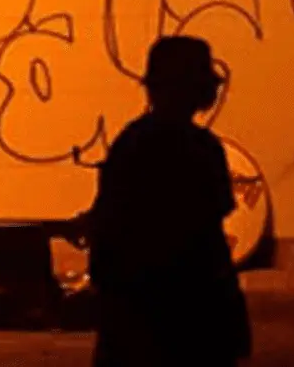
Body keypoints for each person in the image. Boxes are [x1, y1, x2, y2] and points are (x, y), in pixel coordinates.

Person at [86, 36, 250, 367]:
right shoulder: (202, 148)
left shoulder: (132, 143)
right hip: (192, 310)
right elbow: (210, 238)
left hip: (138, 310)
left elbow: (109, 229)